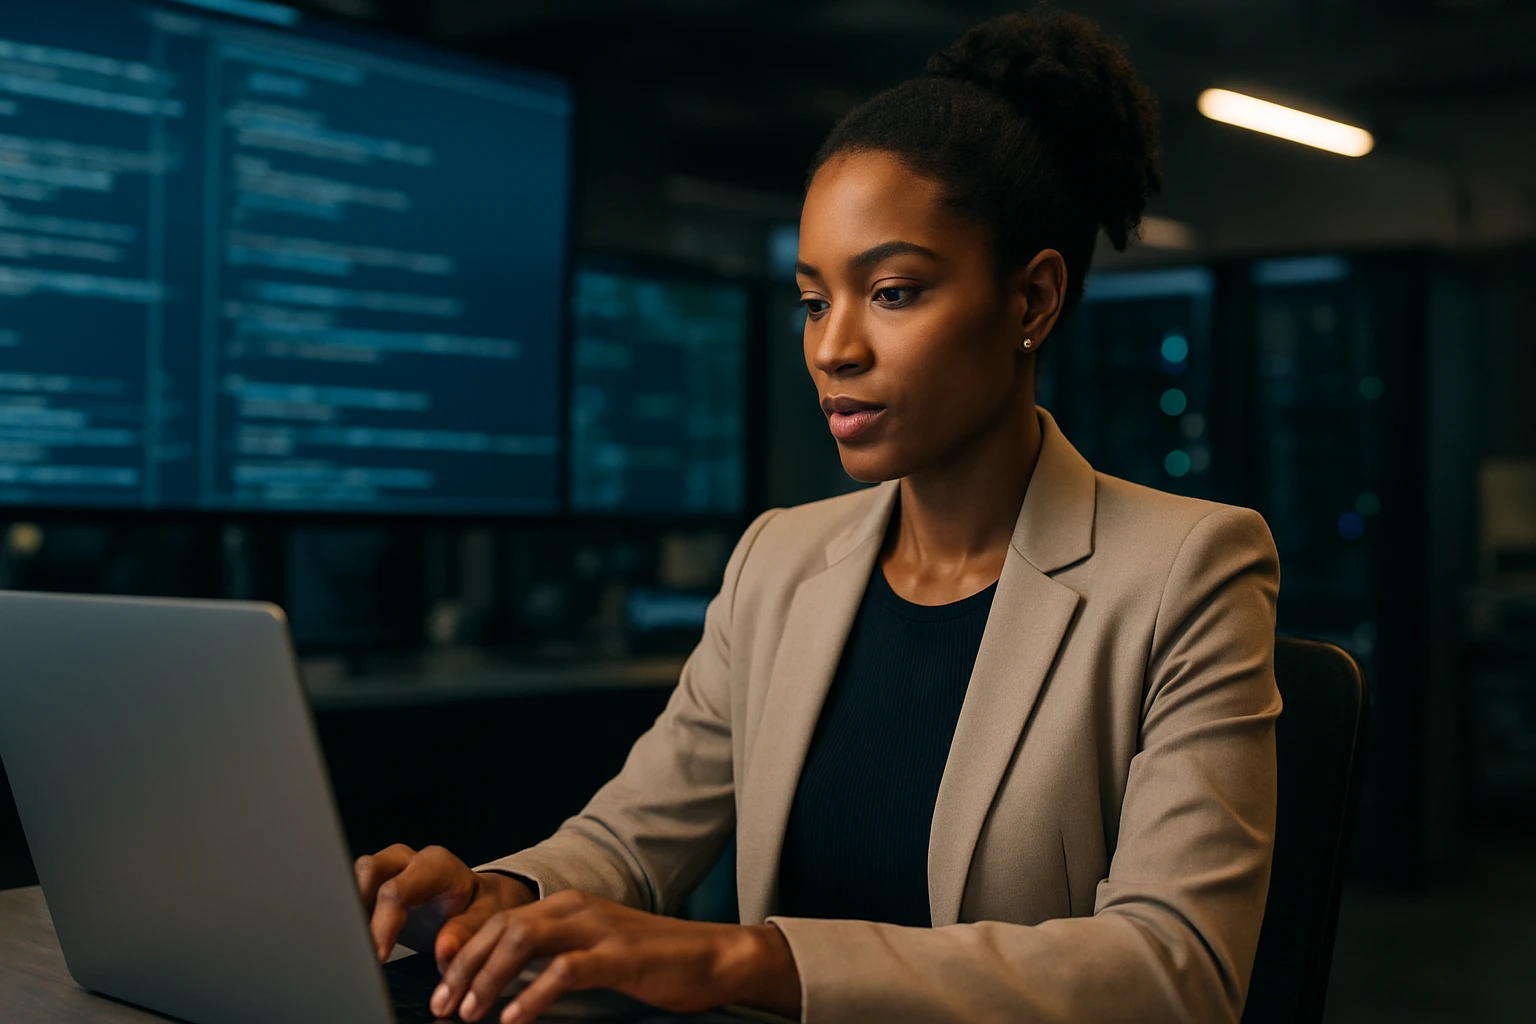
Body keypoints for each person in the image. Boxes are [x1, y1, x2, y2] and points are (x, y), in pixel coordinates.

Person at [354, 8, 1281, 1023]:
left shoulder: (1189, 570)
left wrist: (746, 963)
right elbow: (627, 842)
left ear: (1033, 301)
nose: (833, 347)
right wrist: (501, 895)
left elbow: (1176, 970)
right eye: (811, 300)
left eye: (891, 291)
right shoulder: (777, 561)